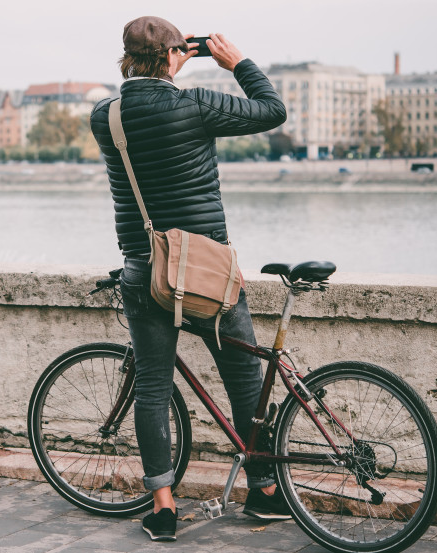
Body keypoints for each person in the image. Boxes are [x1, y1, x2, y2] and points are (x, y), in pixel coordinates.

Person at [89, 17, 289, 541]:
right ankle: (265, 492)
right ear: (175, 55)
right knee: (245, 382)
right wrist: (235, 62)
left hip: (145, 269)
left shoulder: (103, 117)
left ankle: (163, 507)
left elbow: (145, 111)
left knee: (152, 388)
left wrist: (169, 64)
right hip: (209, 271)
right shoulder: (195, 103)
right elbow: (273, 111)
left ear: (125, 57)